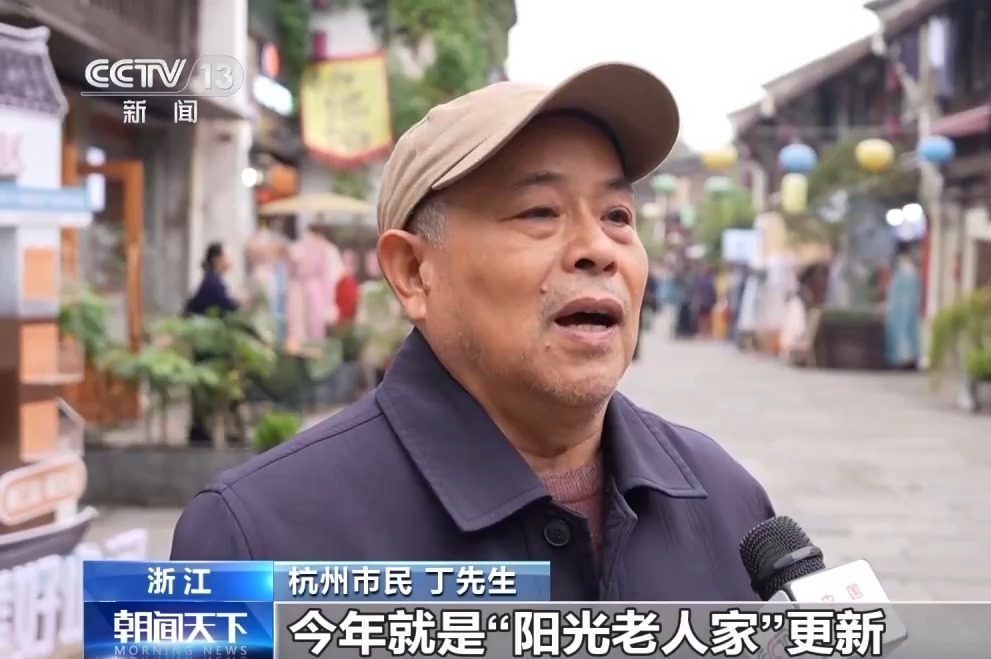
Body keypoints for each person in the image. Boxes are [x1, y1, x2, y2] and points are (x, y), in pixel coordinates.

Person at [168, 63, 776, 600]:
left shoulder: (730, 504)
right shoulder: (251, 536)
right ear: (414, 272)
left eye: (617, 215)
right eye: (539, 212)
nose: (598, 248)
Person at [184, 243, 241, 445]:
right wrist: (241, 303)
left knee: (206, 389)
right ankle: (215, 430)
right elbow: (228, 306)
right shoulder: (213, 282)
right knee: (212, 388)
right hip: (210, 346)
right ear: (217, 259)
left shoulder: (211, 280)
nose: (229, 261)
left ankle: (203, 430)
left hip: (207, 345)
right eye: (226, 256)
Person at [883, 242, 922, 370]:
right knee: (903, 334)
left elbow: (909, 295)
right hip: (899, 310)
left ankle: (906, 359)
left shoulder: (908, 272)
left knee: (905, 334)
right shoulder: (903, 271)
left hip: (903, 309)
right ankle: (904, 359)